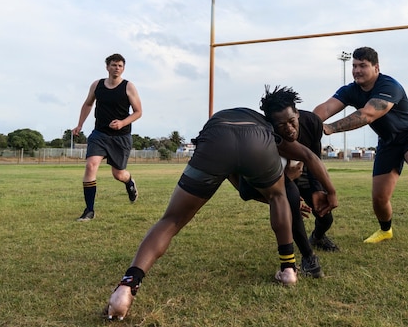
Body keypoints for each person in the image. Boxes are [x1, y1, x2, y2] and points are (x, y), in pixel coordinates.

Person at [104, 107, 338, 321]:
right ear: (273, 122)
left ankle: (127, 286)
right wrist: (331, 193)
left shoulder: (244, 120)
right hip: (256, 145)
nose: (289, 128)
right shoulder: (268, 130)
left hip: (216, 141)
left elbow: (238, 180)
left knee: (172, 220)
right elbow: (309, 156)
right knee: (280, 197)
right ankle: (288, 270)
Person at [313, 46, 408, 261]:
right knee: (379, 198)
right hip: (388, 142)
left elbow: (367, 114)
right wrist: (306, 123)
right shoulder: (350, 90)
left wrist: (330, 128)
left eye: (362, 66)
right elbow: (327, 108)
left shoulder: (389, 85)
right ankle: (386, 230)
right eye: (354, 66)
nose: (357, 70)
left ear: (376, 67)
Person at [260, 85, 340, 252]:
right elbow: (262, 181)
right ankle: (306, 256)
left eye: (291, 121)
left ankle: (318, 237)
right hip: (281, 175)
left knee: (325, 216)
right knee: (292, 210)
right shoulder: (265, 135)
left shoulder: (312, 122)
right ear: (272, 124)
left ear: (297, 113)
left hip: (303, 172)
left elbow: (314, 158)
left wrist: (318, 188)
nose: (289, 129)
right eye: (281, 125)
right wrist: (285, 189)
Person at [72, 53, 142, 222]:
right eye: (113, 65)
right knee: (91, 166)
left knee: (118, 174)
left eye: (120, 65)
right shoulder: (97, 85)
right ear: (107, 67)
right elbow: (88, 104)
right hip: (100, 134)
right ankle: (89, 210)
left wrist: (122, 123)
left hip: (121, 137)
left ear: (123, 68)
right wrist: (80, 124)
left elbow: (138, 112)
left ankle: (129, 182)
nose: (116, 68)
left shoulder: (128, 87)